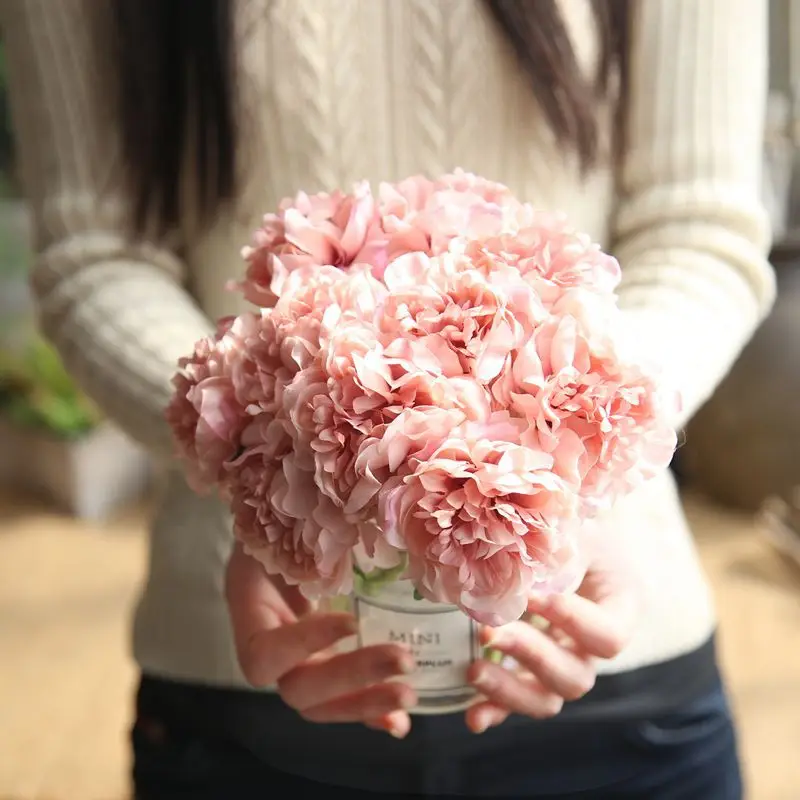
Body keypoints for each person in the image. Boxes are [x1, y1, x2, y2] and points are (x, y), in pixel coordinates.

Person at [1, 0, 774, 797]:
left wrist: (568, 494)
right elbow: (96, 255)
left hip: (605, 655)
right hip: (264, 672)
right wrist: (262, 468)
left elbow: (698, 229)